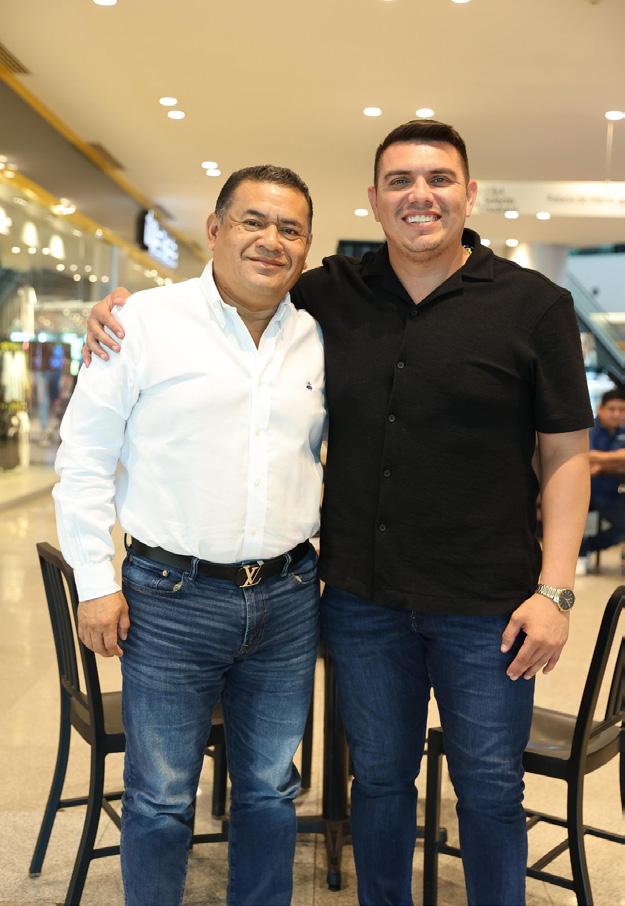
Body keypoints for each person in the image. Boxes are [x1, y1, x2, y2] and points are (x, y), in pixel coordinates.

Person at [85, 121, 592, 906]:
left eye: (438, 179)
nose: (419, 195)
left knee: (490, 789)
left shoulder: (534, 305)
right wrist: (120, 310)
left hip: (486, 603)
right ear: (374, 199)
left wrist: (554, 591)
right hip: (362, 599)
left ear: (468, 194)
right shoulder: (329, 293)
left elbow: (565, 457)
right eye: (399, 181)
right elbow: (234, 286)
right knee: (377, 783)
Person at [54, 165, 326, 906]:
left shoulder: (317, 336)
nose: (271, 240)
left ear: (306, 247)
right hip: (170, 599)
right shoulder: (140, 322)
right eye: (252, 221)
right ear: (214, 230)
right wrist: (95, 584)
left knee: (270, 788)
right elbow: (83, 460)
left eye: (291, 229)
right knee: (161, 795)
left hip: (288, 597)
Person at [578, 388, 625, 574]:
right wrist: (618, 458)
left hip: (613, 493)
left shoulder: (623, 430)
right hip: (586, 489)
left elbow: (594, 460)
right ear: (601, 408)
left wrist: (601, 463)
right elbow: (584, 457)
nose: (617, 414)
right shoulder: (589, 428)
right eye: (612, 409)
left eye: (622, 410)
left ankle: (586, 548)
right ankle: (581, 552)